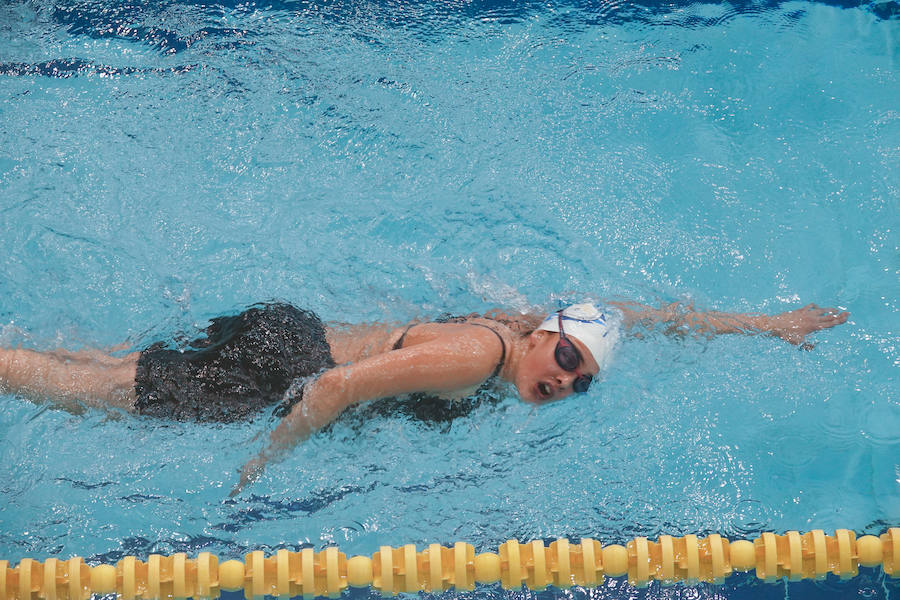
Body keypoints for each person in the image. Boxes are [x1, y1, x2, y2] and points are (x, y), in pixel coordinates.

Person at [0, 299, 849, 494]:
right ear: (539, 335)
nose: (565, 378)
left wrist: (760, 327)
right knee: (83, 392)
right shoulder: (479, 356)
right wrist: (261, 463)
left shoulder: (515, 331)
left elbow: (646, 315)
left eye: (581, 380)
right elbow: (335, 387)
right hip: (280, 371)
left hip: (287, 337)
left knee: (101, 370)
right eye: (565, 356)